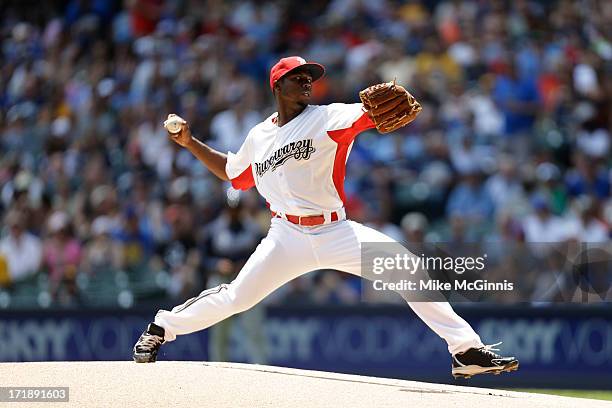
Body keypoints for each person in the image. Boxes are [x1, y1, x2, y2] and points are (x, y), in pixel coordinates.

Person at [133, 56, 519, 379]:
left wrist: (372, 111)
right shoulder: (259, 136)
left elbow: (363, 117)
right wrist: (189, 143)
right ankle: (162, 327)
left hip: (336, 230)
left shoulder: (328, 117)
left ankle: (465, 352)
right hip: (285, 237)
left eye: (310, 78)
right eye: (297, 78)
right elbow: (235, 174)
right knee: (237, 297)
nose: (306, 82)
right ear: (277, 87)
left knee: (408, 270)